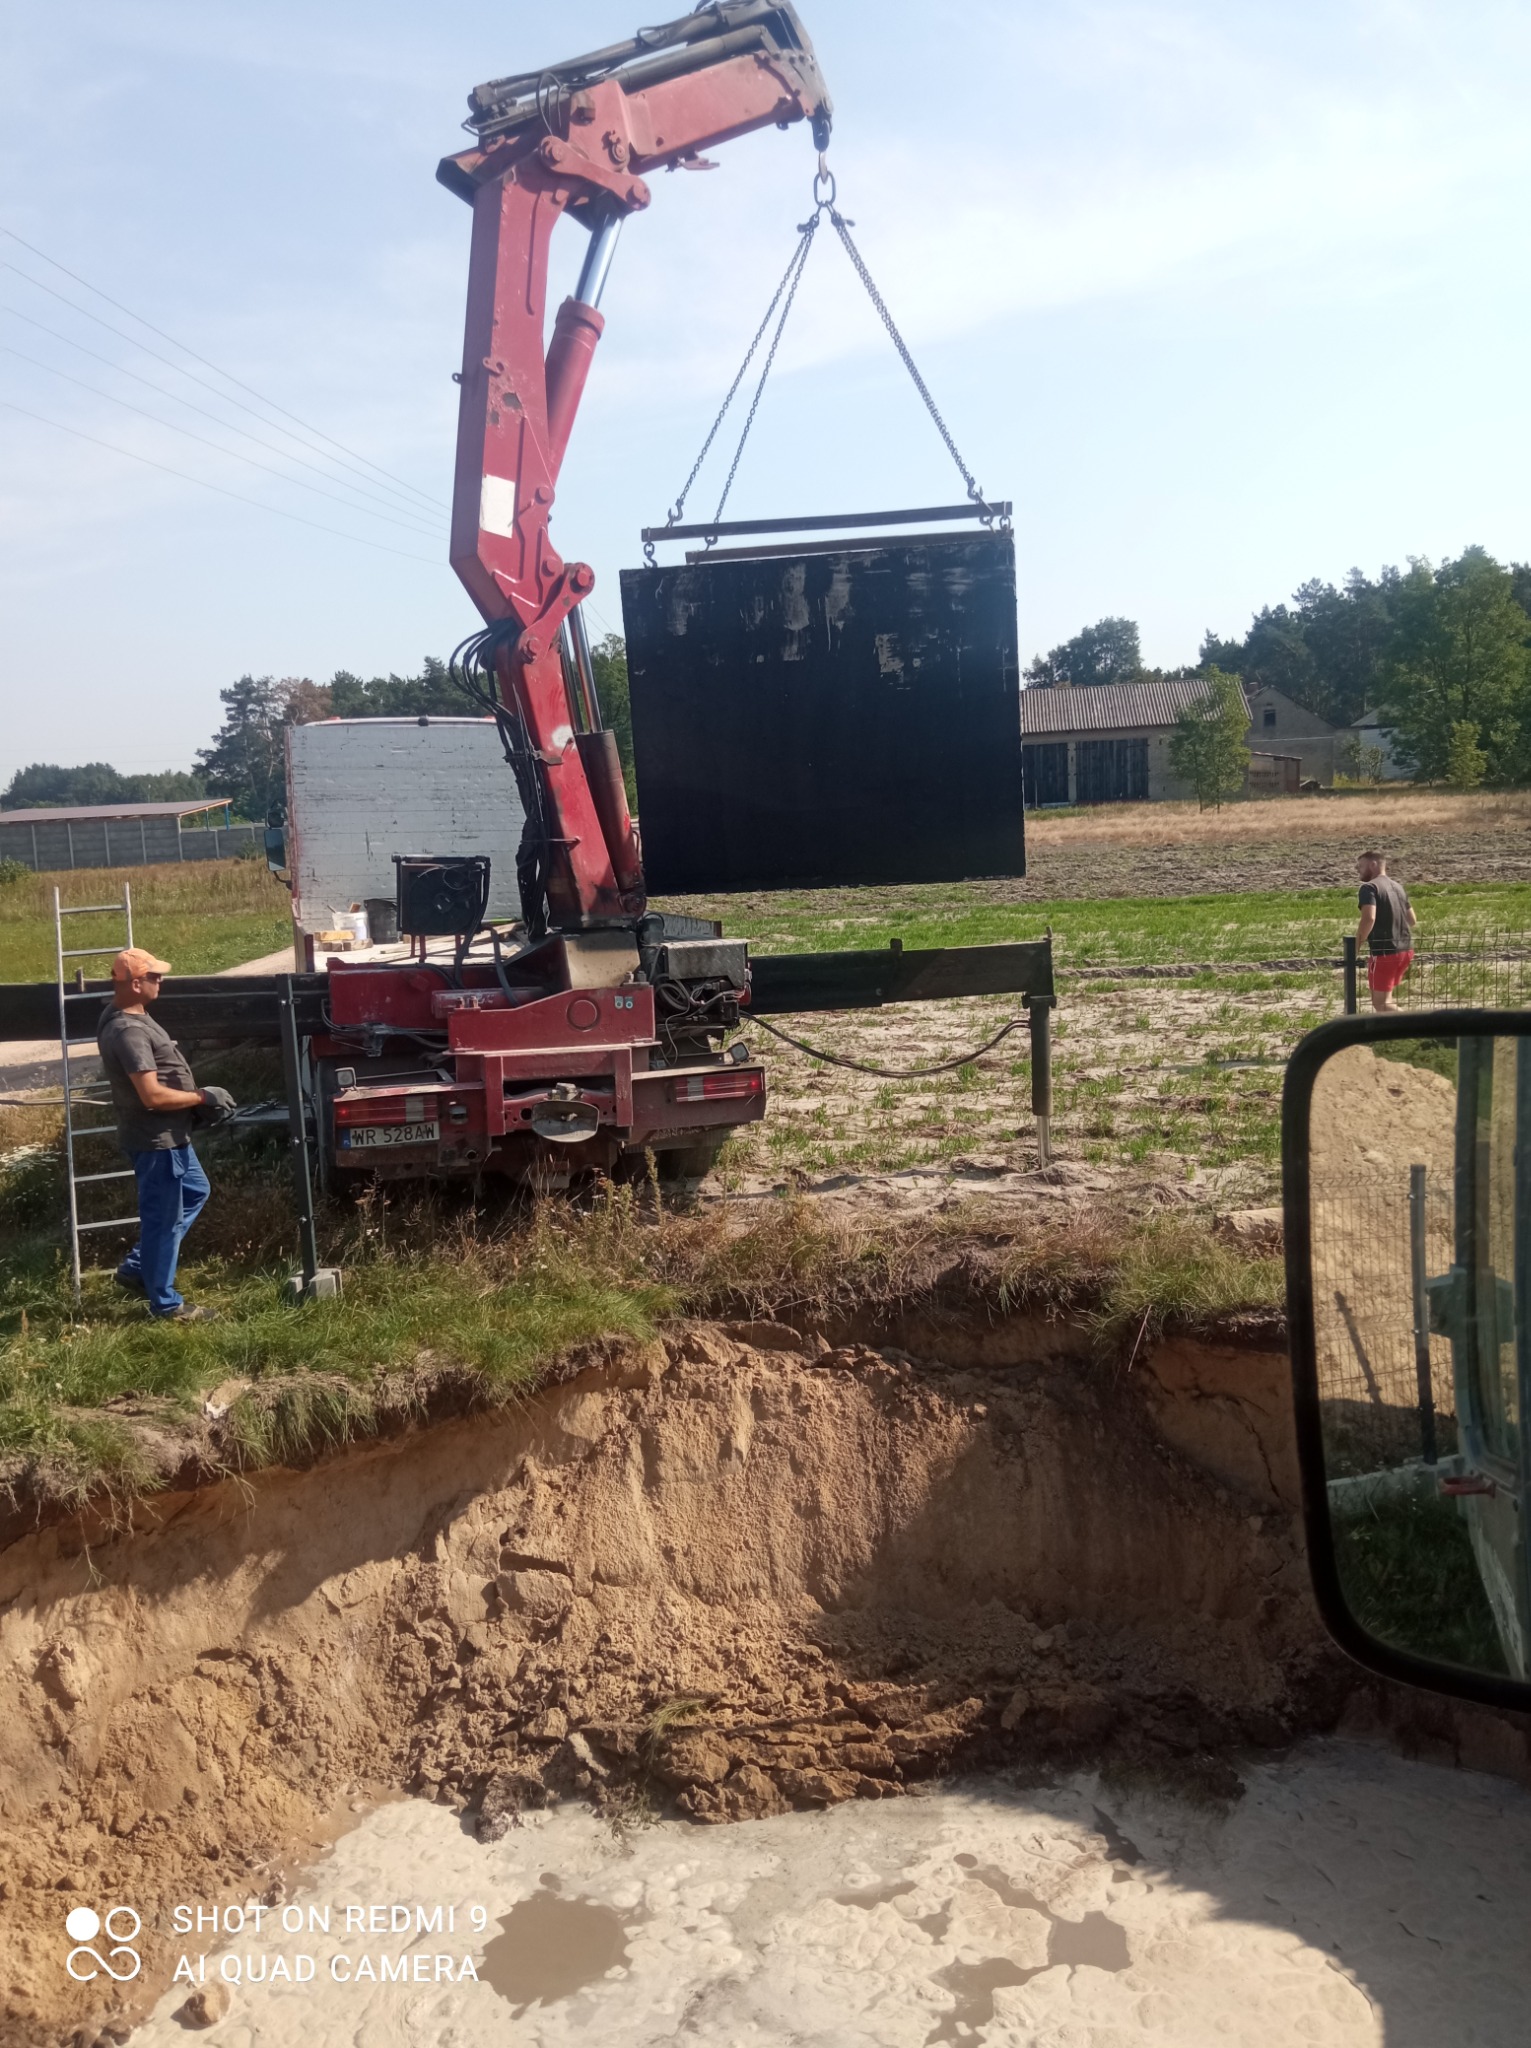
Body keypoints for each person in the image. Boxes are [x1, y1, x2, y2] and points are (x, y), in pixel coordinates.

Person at [96, 947, 236, 1321]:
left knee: (195, 1190)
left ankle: (139, 1267)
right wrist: (201, 1096)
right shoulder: (128, 1031)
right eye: (155, 976)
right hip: (157, 1141)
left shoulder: (121, 1013)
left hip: (168, 1136)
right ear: (136, 982)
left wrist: (191, 1108)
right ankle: (166, 1304)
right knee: (164, 1219)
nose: (162, 981)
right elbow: (152, 1095)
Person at [1355, 851, 1417, 1013]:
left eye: (1361, 866)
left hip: (1384, 952)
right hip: (1405, 949)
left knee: (1381, 1004)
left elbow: (1369, 918)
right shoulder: (1398, 887)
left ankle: (1417, 1026)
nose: (1359, 870)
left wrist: (1356, 945)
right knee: (1386, 1000)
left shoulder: (1369, 888)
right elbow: (1412, 920)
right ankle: (1396, 1035)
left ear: (1373, 864)